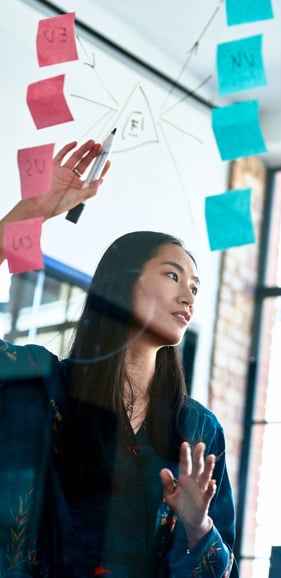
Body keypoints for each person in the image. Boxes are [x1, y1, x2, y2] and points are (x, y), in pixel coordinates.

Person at [0, 140, 236, 577]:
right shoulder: (43, 386)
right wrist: (34, 208)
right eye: (172, 275)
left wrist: (197, 524)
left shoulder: (199, 430)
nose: (188, 296)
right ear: (121, 283)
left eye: (196, 287)